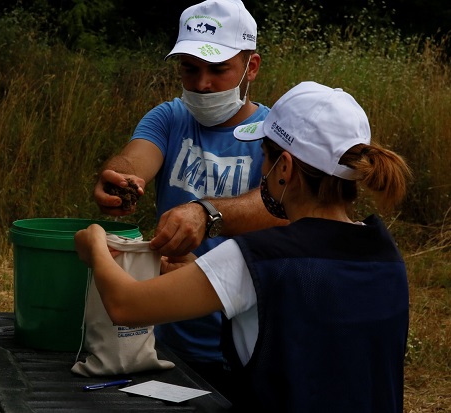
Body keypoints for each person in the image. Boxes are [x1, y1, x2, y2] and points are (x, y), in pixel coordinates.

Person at [77, 81, 412, 411]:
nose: (262, 172)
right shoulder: (386, 255)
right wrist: (204, 274)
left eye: (263, 158)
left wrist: (95, 246)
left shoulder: (257, 258)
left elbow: (125, 307)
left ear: (284, 168)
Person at [93, 0, 286, 391]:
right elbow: (136, 157)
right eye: (189, 69)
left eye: (218, 70)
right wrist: (122, 180)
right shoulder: (169, 117)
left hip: (241, 346)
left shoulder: (273, 133)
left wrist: (206, 213)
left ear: (251, 67)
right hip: (164, 338)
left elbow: (279, 208)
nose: (201, 84)